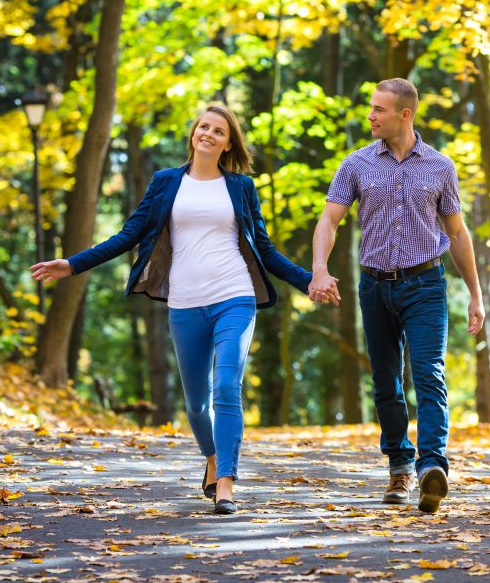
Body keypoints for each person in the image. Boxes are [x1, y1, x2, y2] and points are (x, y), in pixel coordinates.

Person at [31, 104, 326, 515]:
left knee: (226, 387)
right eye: (203, 126)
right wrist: (73, 264)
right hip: (186, 303)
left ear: (228, 144)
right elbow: (129, 234)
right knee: (195, 405)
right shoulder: (167, 182)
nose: (208, 134)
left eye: (219, 131)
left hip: (234, 296)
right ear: (193, 134)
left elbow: (267, 250)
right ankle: (211, 457)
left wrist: (309, 280)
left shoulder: (240, 187)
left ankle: (226, 483)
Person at [308, 78, 484, 514]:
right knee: (386, 382)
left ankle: (431, 468)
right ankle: (400, 466)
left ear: (404, 115)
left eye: (378, 110)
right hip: (374, 286)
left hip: (425, 285)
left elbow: (457, 233)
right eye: (371, 108)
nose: (370, 115)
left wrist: (476, 294)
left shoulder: (440, 167)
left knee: (429, 375)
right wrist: (319, 269)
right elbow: (329, 221)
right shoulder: (357, 164)